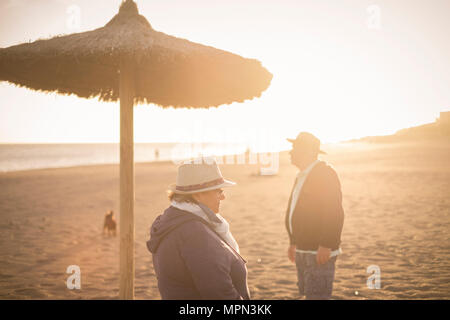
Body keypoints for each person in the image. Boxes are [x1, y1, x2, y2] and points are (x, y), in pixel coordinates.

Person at [147, 157, 250, 300]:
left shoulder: (173, 219)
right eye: (218, 191)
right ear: (197, 194)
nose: (223, 197)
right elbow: (220, 294)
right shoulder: (194, 234)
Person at [285, 132, 344, 300]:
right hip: (303, 248)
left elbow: (334, 211)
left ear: (307, 152)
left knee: (318, 296)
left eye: (295, 148)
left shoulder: (324, 173)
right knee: (307, 293)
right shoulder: (302, 175)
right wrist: (293, 242)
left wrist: (327, 244)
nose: (290, 152)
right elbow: (296, 209)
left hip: (318, 250)